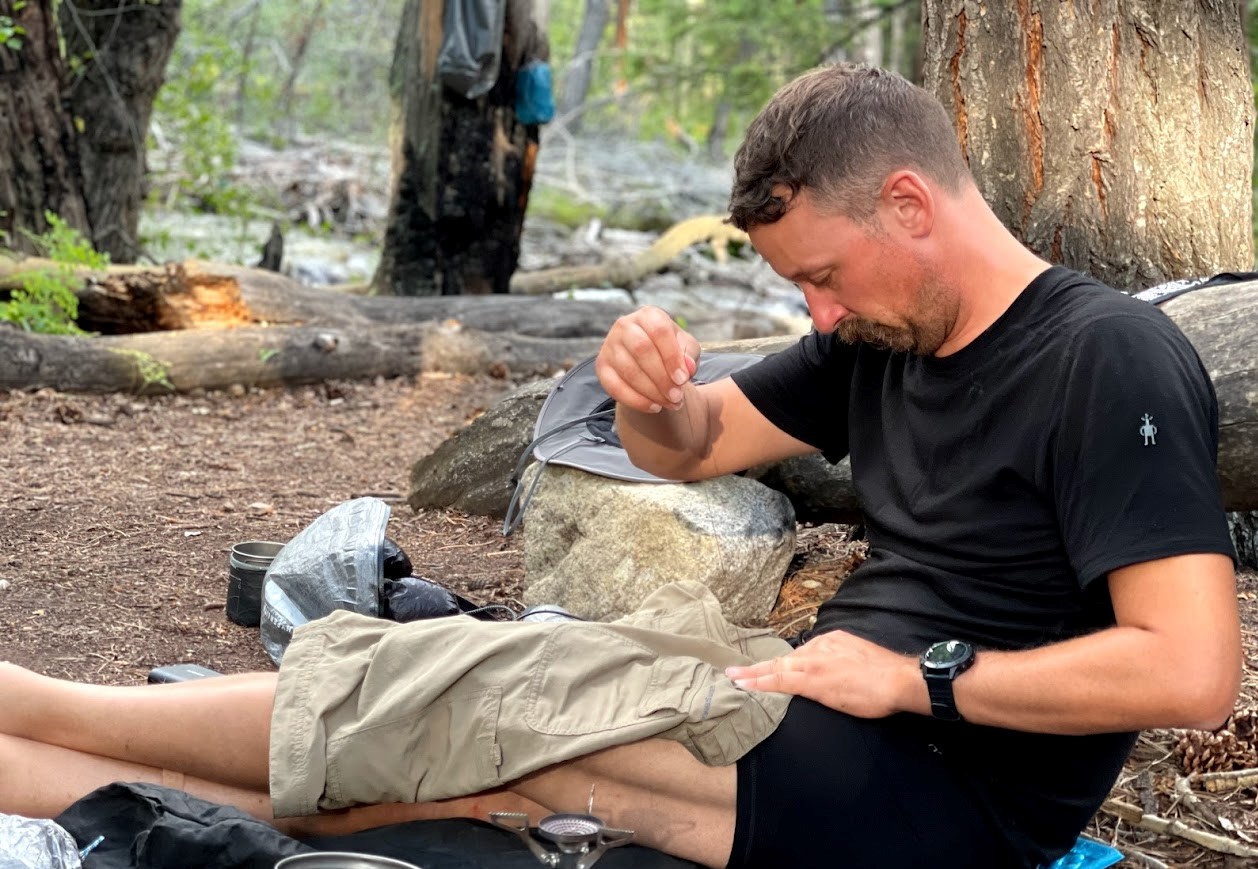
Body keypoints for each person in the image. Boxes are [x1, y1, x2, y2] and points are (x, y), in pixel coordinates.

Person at [0, 63, 1241, 869]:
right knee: (452, 737)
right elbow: (694, 442)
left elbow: (1187, 669)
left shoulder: (1105, 359)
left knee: (505, 702)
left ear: (909, 204)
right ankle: (41, 750)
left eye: (819, 273)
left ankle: (43, 705)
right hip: (824, 710)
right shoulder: (876, 335)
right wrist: (646, 394)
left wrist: (922, 677)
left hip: (941, 792)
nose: (812, 311)